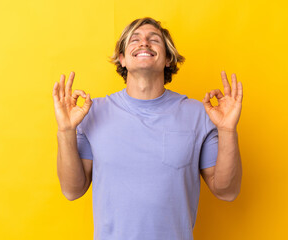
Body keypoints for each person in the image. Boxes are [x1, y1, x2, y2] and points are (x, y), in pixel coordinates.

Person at [53, 17, 242, 240]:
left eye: (154, 39)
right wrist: (66, 131)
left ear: (168, 59)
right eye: (134, 39)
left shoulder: (199, 114)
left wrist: (228, 130)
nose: (144, 43)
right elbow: (72, 190)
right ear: (122, 59)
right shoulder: (93, 112)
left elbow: (227, 191)